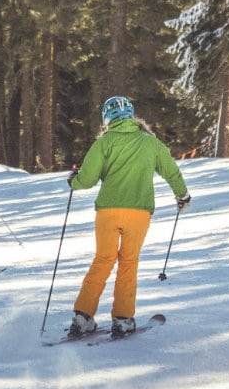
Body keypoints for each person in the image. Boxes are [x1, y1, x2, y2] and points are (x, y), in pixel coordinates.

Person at [67, 96, 190, 337]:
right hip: (138, 212)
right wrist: (182, 195)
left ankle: (83, 317)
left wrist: (75, 181)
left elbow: (87, 179)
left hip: (108, 213)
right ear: (132, 115)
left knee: (103, 260)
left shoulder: (105, 142)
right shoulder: (150, 143)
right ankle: (123, 319)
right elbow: (171, 171)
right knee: (129, 261)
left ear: (107, 118)